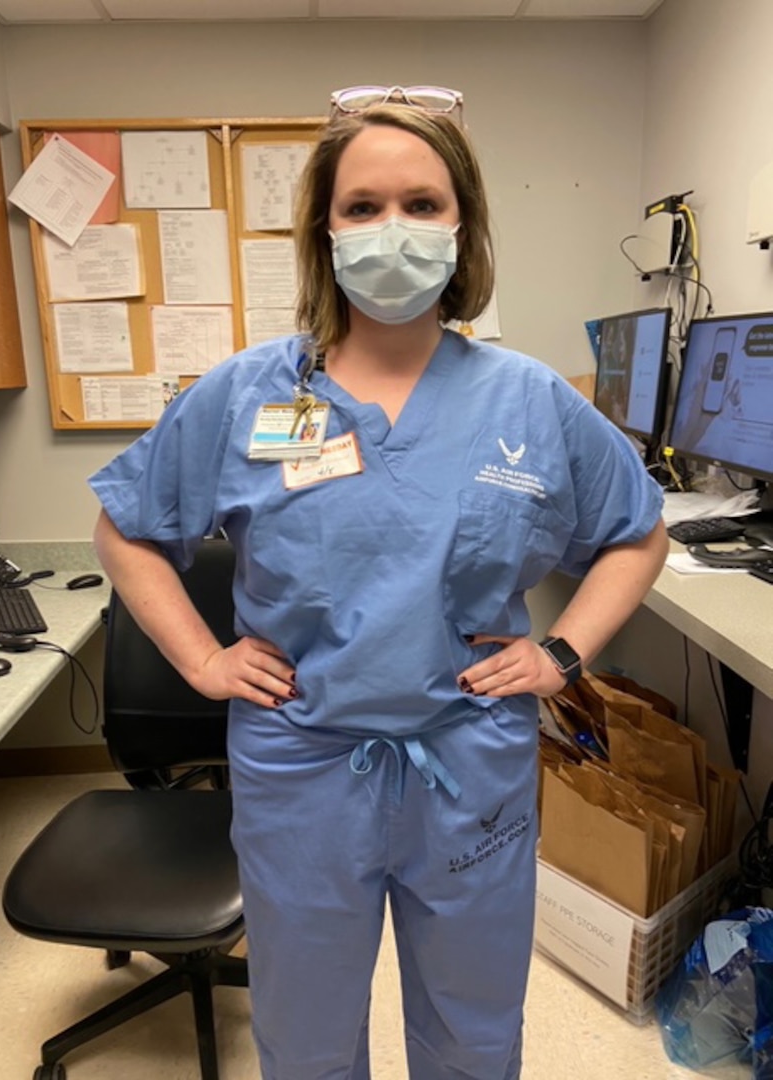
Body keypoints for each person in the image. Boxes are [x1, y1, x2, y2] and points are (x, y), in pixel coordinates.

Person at [90, 84, 669, 1080]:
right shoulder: (250, 394)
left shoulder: (528, 399)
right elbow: (127, 526)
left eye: (421, 204)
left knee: (474, 1029)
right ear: (325, 229)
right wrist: (201, 658)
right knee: (307, 1035)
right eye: (363, 208)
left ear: (464, 224)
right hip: (302, 770)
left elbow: (637, 534)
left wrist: (562, 652)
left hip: (469, 767)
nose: (391, 231)